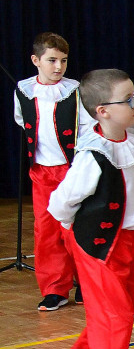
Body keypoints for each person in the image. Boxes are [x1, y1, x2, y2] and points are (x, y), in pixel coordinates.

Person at [49, 69, 134, 349]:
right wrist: (75, 234)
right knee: (115, 321)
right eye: (129, 100)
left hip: (130, 240)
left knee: (120, 309)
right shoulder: (92, 155)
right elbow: (61, 204)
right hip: (99, 248)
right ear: (102, 111)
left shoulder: (133, 140)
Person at [13, 32, 89, 311]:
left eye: (64, 61)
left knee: (76, 229)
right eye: (52, 60)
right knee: (46, 231)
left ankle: (85, 282)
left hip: (71, 170)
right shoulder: (22, 90)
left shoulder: (75, 90)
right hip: (42, 172)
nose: (58, 67)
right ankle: (55, 288)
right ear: (36, 60)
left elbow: (86, 129)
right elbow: (23, 120)